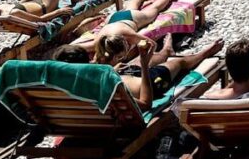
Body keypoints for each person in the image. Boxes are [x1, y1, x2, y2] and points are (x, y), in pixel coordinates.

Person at [54, 36, 223, 112]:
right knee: (179, 63)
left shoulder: (59, 89)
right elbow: (145, 103)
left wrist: (114, 70)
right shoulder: (103, 87)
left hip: (128, 76)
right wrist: (143, 64)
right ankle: (206, 52)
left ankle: (166, 49)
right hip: (149, 83)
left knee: (136, 63)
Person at [74, 0, 181, 60]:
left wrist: (146, 59)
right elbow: (74, 47)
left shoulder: (128, 35)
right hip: (114, 19)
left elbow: (152, 44)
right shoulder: (97, 43)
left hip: (124, 19)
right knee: (130, 8)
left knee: (154, 9)